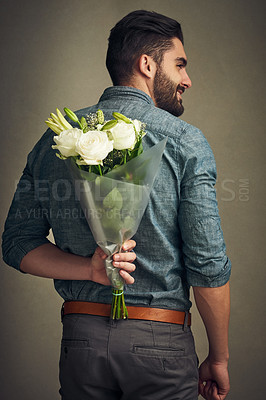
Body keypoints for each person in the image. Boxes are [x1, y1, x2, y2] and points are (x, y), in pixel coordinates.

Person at [2, 9, 231, 400]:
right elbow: (207, 264)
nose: (187, 79)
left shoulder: (56, 141)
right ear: (146, 64)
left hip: (81, 344)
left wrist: (89, 270)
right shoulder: (185, 141)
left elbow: (16, 244)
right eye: (180, 65)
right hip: (161, 343)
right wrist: (219, 358)